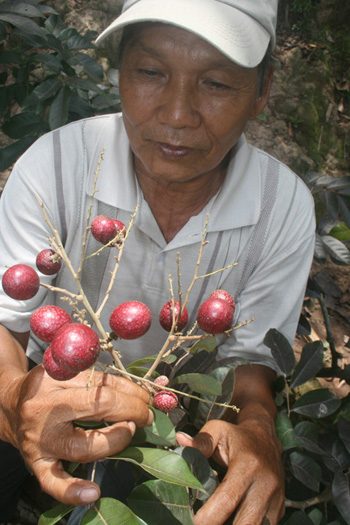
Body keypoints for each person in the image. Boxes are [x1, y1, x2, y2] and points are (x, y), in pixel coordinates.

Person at [0, 0, 316, 523]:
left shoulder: (281, 206)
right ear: (120, 72)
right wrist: (13, 400)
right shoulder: (55, 165)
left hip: (170, 412)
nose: (176, 115)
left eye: (216, 83)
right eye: (150, 72)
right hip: (41, 388)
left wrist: (258, 431)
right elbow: (5, 325)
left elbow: (249, 366)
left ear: (262, 90)